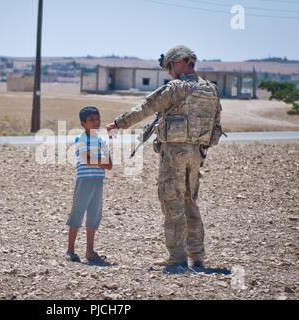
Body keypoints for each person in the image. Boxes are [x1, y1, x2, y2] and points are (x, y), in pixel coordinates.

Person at [106, 45, 224, 273]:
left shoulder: (177, 88)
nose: (170, 71)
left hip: (175, 154)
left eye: (170, 66)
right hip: (198, 154)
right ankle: (197, 257)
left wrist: (118, 123)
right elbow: (216, 123)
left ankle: (177, 258)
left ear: (181, 62)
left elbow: (146, 107)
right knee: (190, 201)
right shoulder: (211, 89)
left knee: (172, 201)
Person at [66, 106, 113, 265]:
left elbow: (110, 165)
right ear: (83, 123)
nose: (95, 122)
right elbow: (88, 160)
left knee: (94, 215)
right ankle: (70, 250)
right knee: (77, 213)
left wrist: (97, 161)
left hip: (98, 181)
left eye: (97, 119)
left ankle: (89, 251)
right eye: (91, 120)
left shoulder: (101, 140)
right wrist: (100, 161)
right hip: (84, 180)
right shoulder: (80, 139)